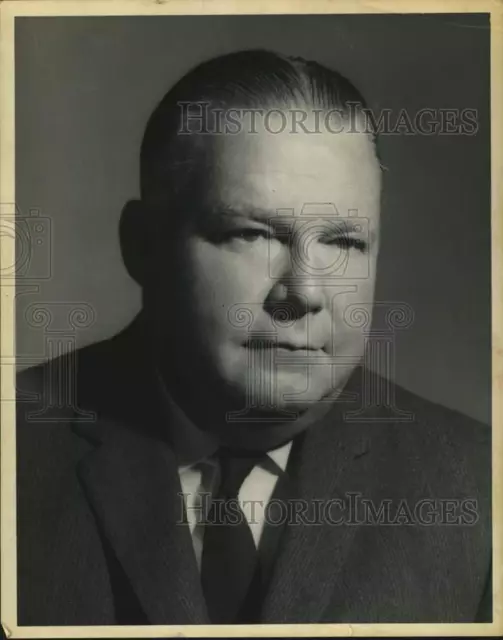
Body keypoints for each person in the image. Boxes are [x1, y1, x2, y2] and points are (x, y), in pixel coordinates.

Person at [16, 49, 491, 625]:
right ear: (142, 245)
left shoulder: (479, 490)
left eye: (344, 243)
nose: (305, 291)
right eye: (253, 234)